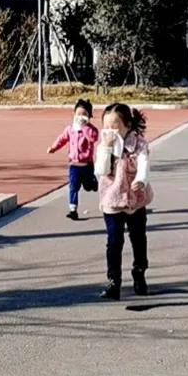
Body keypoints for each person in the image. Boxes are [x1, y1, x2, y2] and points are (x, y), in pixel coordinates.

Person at [94, 103, 152, 300]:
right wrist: (107, 149)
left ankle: (139, 272)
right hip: (112, 200)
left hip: (135, 200)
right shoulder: (103, 146)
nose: (110, 130)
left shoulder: (139, 144)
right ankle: (113, 281)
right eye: (106, 126)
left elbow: (144, 164)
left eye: (115, 125)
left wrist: (141, 179)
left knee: (138, 238)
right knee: (114, 241)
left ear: (127, 125)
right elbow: (101, 170)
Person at [47, 99, 100, 220]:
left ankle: (92, 183)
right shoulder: (70, 129)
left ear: (89, 117)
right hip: (74, 165)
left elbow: (93, 138)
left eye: (84, 114)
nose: (80, 117)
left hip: (87, 165)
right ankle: (73, 210)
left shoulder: (90, 129)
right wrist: (54, 148)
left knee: (87, 187)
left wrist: (84, 127)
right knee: (73, 187)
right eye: (78, 114)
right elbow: (62, 139)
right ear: (74, 114)